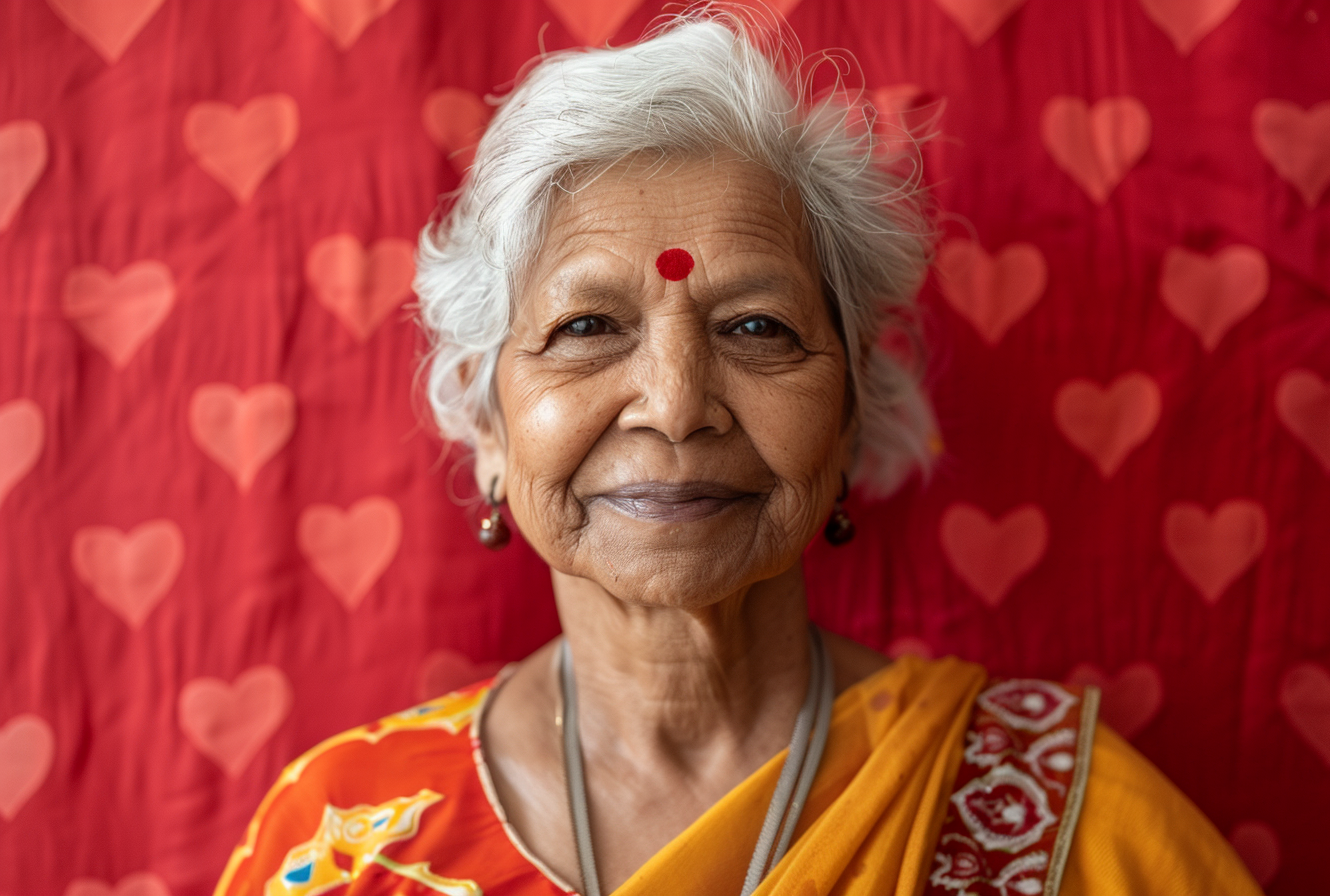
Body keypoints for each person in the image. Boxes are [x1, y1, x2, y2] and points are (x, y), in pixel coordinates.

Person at [214, 10, 1262, 896]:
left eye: (757, 327)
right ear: (488, 427)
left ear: (853, 413)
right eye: (587, 327)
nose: (675, 406)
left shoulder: (1060, 820)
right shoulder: (345, 842)